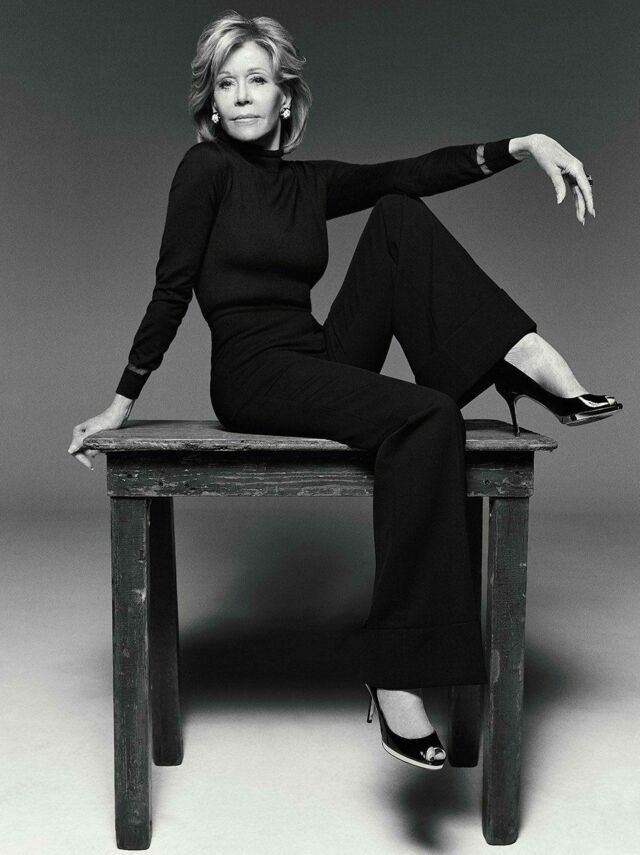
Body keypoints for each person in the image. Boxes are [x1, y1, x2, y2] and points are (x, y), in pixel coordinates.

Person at [68, 12, 622, 770]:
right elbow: (171, 289)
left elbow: (412, 172)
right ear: (212, 103)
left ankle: (518, 351)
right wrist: (120, 402)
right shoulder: (205, 171)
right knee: (428, 414)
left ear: (285, 97)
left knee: (398, 214)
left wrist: (522, 145)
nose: (241, 95)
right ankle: (396, 671)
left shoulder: (307, 183)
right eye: (226, 83)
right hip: (254, 373)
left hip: (317, 354)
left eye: (257, 79)